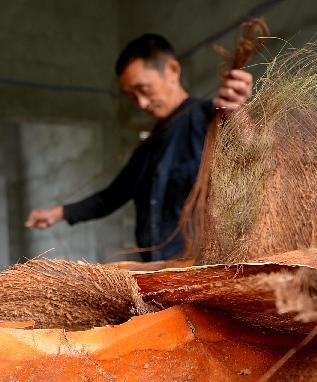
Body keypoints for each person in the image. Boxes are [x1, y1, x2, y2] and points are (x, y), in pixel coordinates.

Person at [25, 33, 253, 261]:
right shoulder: (148, 145)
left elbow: (253, 158)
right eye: (132, 96)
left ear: (172, 70)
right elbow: (111, 197)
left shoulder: (209, 118)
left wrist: (237, 112)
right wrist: (58, 213)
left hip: (200, 268)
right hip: (156, 270)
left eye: (143, 89)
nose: (141, 103)